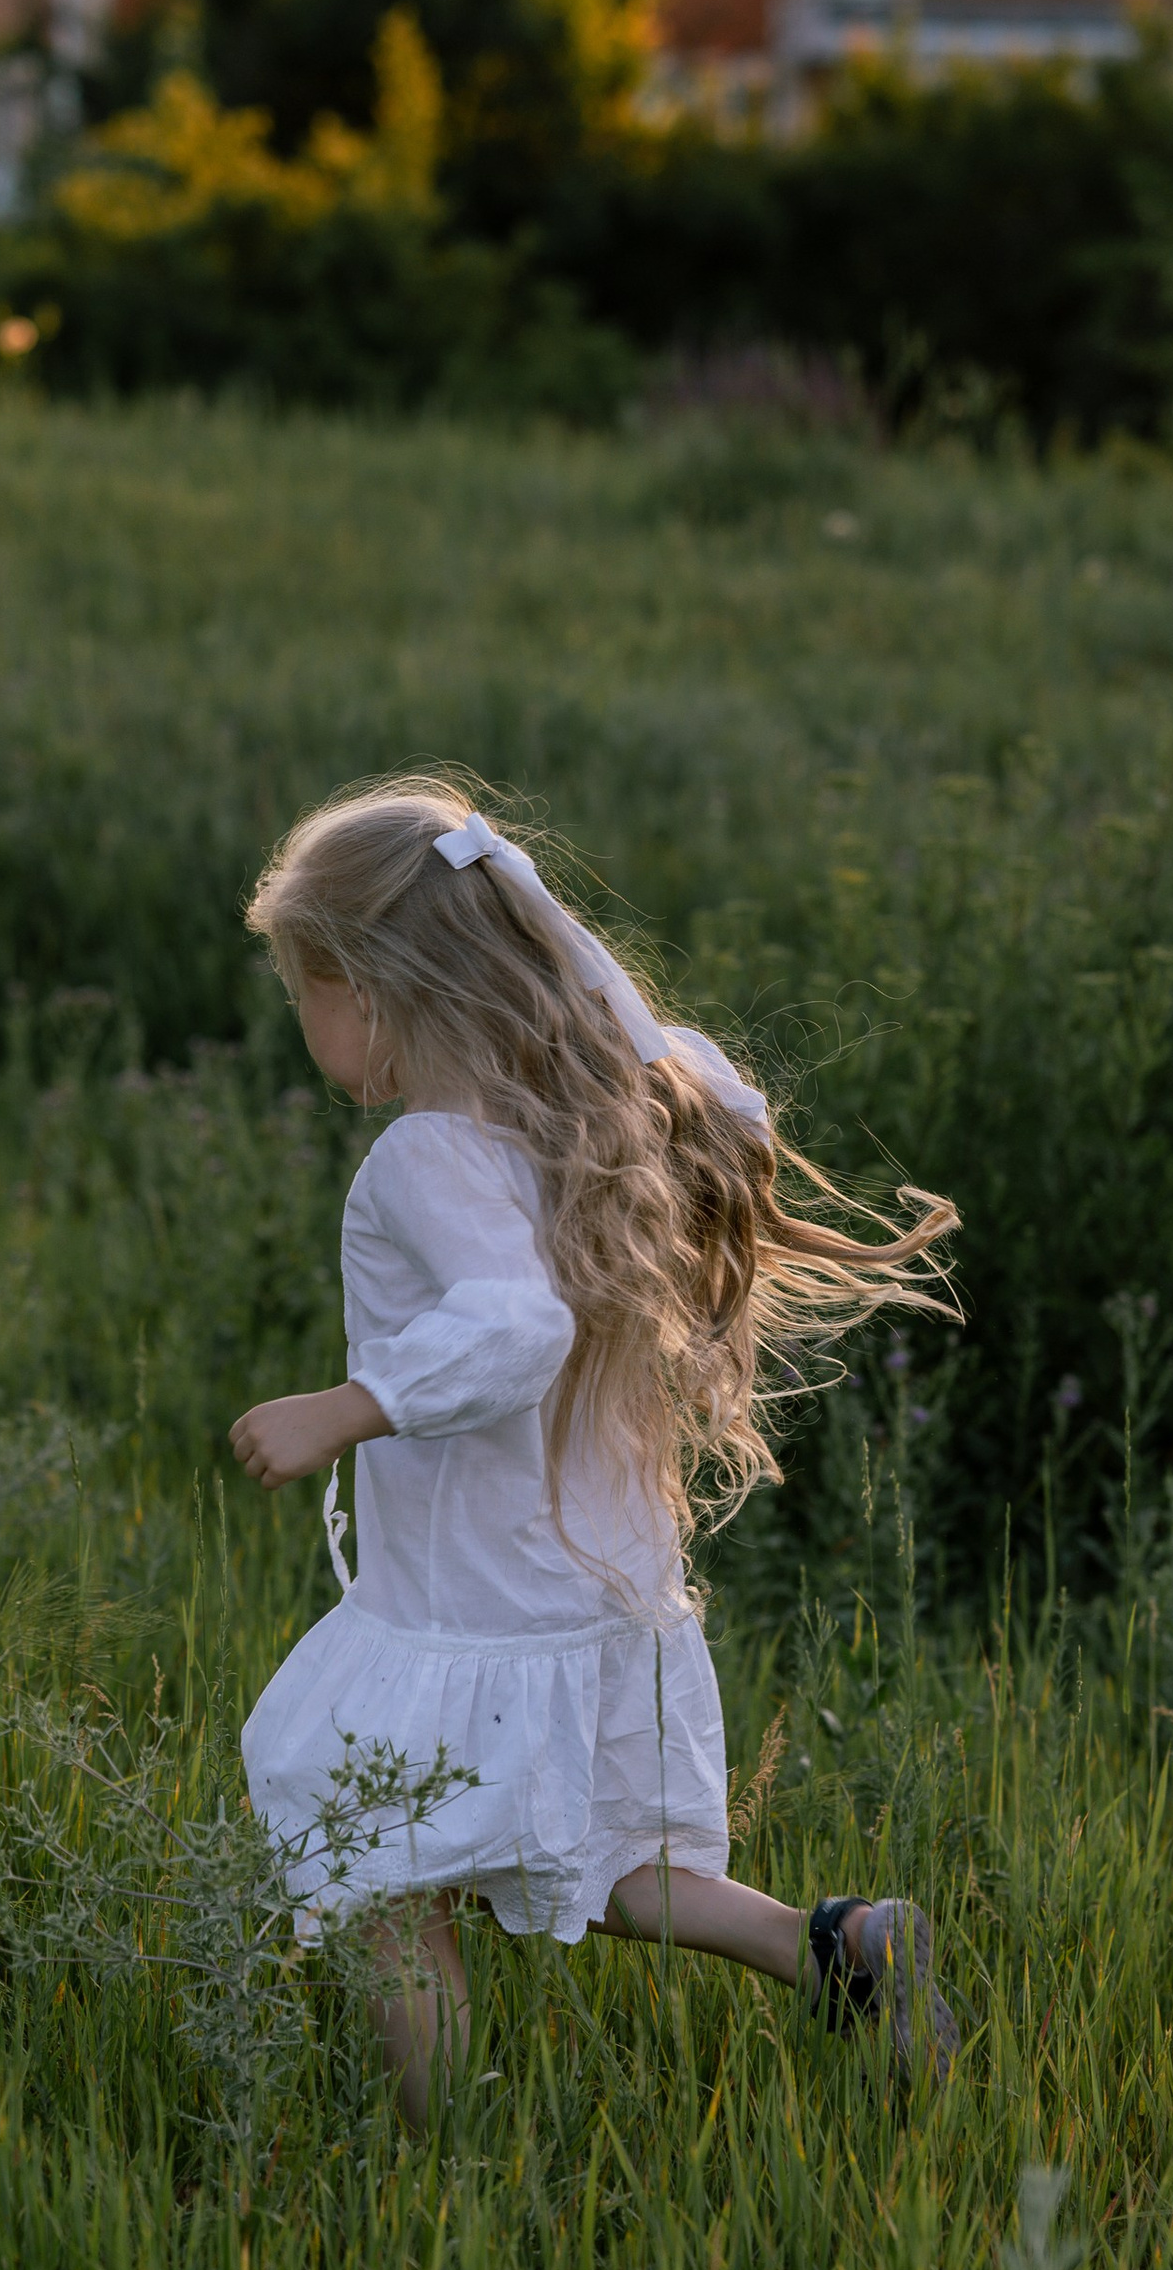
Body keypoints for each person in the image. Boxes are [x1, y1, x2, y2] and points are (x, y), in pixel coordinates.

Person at [228, 776, 961, 2124]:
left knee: (358, 1847)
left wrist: (348, 1407)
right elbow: (716, 1091)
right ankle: (845, 1946)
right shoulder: (587, 1124)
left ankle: (440, 2148)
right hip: (595, 1592)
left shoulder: (426, 1156)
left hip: (478, 1600)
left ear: (375, 992)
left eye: (304, 995)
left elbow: (513, 1326)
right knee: (613, 1864)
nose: (306, 1029)